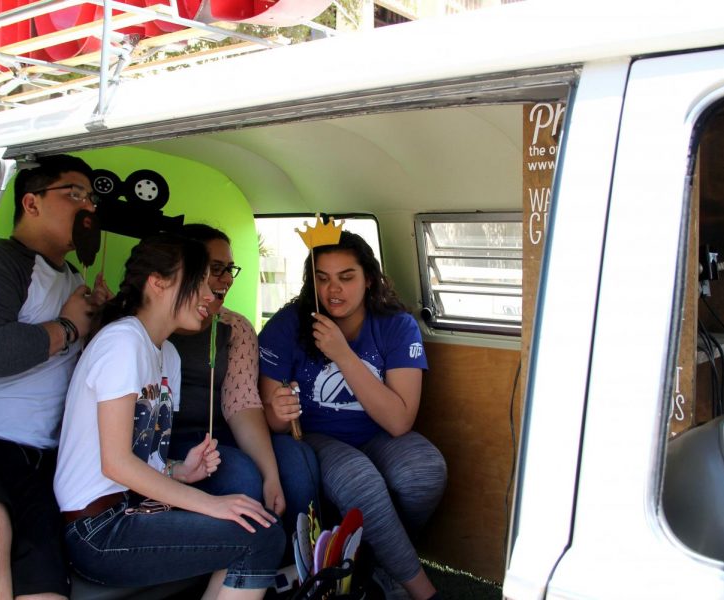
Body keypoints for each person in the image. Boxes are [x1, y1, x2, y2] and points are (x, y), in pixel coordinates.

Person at [54, 234, 284, 597]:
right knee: (262, 537)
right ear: (158, 282)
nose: (210, 296)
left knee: (258, 526)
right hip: (97, 529)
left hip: (131, 510)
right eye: (198, 283)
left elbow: (143, 457)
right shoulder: (123, 343)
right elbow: (115, 463)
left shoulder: (166, 355)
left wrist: (181, 470)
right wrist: (211, 504)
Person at [258, 230, 447, 600]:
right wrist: (278, 410)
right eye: (322, 278)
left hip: (378, 432)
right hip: (315, 437)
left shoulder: (396, 325)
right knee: (359, 478)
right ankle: (424, 592)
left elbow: (399, 421)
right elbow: (272, 420)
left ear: (369, 279)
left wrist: (343, 354)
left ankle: (373, 566)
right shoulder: (287, 325)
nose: (334, 290)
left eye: (346, 277)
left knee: (425, 470)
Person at [0, 154, 110, 600]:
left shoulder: (74, 277)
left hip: (41, 461)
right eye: (74, 194)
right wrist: (67, 328)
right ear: (32, 203)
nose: (88, 207)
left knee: (44, 584)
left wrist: (98, 324)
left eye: (91, 198)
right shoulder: (6, 261)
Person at [168, 224, 319, 536]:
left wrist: (271, 475)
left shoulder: (234, 326)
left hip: (221, 433)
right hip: (171, 440)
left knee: (297, 461)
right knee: (242, 476)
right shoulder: (149, 324)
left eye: (230, 269)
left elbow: (242, 403)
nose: (226, 279)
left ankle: (296, 563)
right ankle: (245, 569)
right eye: (216, 268)